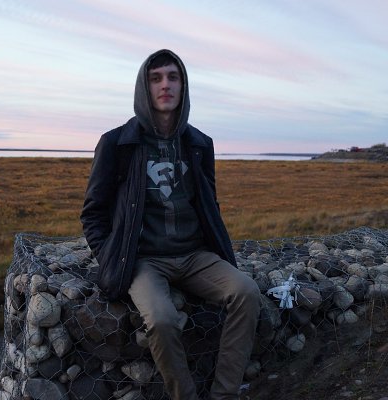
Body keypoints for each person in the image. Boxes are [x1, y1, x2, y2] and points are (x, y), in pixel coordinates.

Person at [81, 49, 261, 400]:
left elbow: (208, 203)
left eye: (173, 77)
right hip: (144, 260)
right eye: (156, 78)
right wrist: (110, 256)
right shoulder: (118, 143)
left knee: (247, 292)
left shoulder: (199, 143)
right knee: (162, 319)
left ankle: (224, 394)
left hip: (195, 256)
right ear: (144, 87)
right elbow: (93, 212)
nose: (165, 85)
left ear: (183, 86)